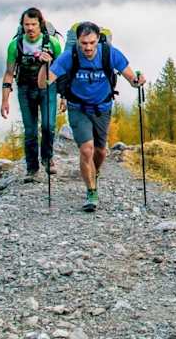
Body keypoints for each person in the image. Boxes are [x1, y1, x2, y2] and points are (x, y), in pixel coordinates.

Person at [40, 22, 143, 212]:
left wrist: (138, 80)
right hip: (77, 108)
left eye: (91, 43)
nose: (88, 47)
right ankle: (91, 192)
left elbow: (132, 79)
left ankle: (93, 174)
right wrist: (45, 65)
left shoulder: (110, 54)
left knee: (101, 151)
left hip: (103, 107)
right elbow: (43, 83)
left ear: (98, 40)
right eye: (84, 43)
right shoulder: (69, 56)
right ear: (78, 41)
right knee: (87, 150)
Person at [0, 7, 63, 183]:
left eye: (34, 24)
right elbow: (9, 72)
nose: (30, 28)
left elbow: (62, 70)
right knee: (30, 130)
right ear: (22, 25)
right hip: (25, 88)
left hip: (48, 88)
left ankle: (47, 157)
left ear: (40, 24)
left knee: (48, 125)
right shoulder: (15, 45)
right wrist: (5, 100)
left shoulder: (52, 43)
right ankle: (32, 168)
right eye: (27, 24)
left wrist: (64, 96)